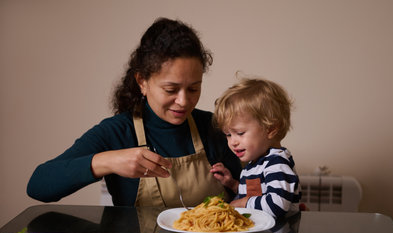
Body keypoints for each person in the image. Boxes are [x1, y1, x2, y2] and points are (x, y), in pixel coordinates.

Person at [27, 18, 242, 207]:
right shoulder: (118, 132)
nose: (184, 101)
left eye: (194, 88)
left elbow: (255, 185)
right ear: (142, 82)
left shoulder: (215, 127)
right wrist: (107, 161)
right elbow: (38, 185)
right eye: (171, 89)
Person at [210, 76, 301, 218]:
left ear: (270, 129)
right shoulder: (255, 163)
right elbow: (256, 193)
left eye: (240, 133)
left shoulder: (276, 163)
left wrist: (241, 203)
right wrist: (233, 184)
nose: (232, 142)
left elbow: (277, 205)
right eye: (228, 135)